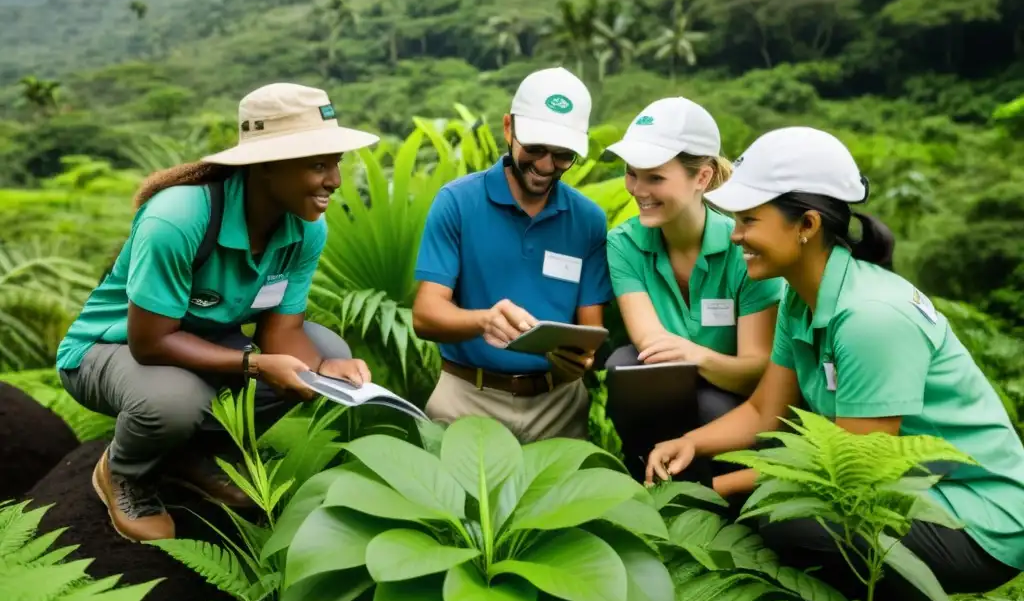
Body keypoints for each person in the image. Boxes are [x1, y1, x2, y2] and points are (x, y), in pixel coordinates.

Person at [645, 126, 1024, 601]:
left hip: (980, 518)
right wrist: (691, 443)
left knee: (786, 521)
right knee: (734, 487)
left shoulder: (870, 318)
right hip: (911, 491)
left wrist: (721, 489)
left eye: (749, 221)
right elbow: (764, 412)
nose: (735, 236)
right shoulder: (799, 299)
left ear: (806, 224)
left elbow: (855, 470)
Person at [56, 82, 378, 543]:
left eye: (336, 163)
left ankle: (194, 456)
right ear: (267, 164)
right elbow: (149, 343)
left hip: (201, 341)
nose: (335, 181)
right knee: (173, 400)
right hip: (114, 347)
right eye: (318, 165)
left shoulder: (305, 228)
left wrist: (325, 368)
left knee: (326, 350)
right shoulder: (179, 218)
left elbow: (281, 329)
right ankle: (125, 472)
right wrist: (253, 363)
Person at [412, 67, 614, 442]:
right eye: (535, 148)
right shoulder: (457, 203)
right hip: (467, 398)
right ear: (509, 129)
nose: (545, 166)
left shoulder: (588, 220)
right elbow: (425, 315)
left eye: (562, 155)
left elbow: (590, 330)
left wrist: (581, 361)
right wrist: (484, 321)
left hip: (559, 404)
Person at [603, 97, 784, 481]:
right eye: (632, 173)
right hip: (664, 397)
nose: (638, 190)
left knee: (709, 401)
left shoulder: (743, 250)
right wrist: (707, 361)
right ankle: (648, 474)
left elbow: (757, 369)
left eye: (655, 177)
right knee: (623, 363)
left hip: (738, 410)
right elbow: (651, 347)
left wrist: (697, 356)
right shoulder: (624, 243)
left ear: (701, 178)